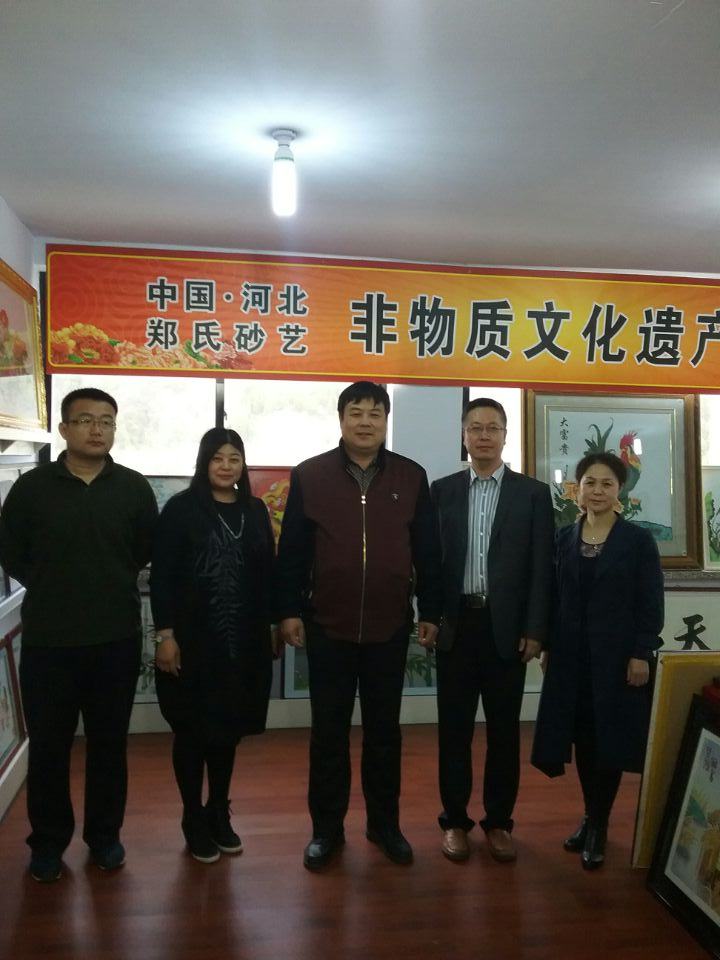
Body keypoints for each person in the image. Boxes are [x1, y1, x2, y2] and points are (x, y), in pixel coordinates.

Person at [276, 381, 442, 870]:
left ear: (386, 420)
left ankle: (384, 825)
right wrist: (288, 610)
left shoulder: (411, 476)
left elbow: (428, 552)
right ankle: (326, 830)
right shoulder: (310, 474)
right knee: (328, 734)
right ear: (341, 418)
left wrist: (431, 611)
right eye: (356, 412)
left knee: (384, 734)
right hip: (327, 625)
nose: (365, 421)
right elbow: (292, 551)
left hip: (389, 628)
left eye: (375, 413)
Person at [0, 387, 158, 882]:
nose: (97, 429)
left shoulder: (133, 488)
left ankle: (104, 837)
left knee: (109, 746)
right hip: (49, 641)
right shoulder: (32, 488)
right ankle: (48, 843)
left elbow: (143, 550)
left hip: (115, 638)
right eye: (86, 420)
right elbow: (11, 551)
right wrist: (52, 583)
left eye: (106, 421)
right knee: (50, 748)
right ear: (65, 429)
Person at [431, 397, 554, 864]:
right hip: (457, 626)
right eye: (475, 427)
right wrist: (430, 617)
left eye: (492, 428)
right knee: (454, 731)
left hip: (508, 631)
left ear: (505, 435)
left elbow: (542, 568)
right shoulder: (442, 491)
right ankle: (454, 821)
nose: (483, 435)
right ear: (464, 435)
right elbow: (431, 563)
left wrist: (536, 629)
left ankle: (499, 822)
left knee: (504, 733)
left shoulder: (532, 494)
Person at [532, 451, 664, 870]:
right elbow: (554, 599)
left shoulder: (637, 541)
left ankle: (599, 823)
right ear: (578, 489)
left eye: (607, 483)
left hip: (617, 658)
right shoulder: (563, 538)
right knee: (583, 739)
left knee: (610, 739)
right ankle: (591, 817)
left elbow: (650, 601)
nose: (598, 491)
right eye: (590, 482)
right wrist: (548, 646)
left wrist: (641, 651)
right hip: (571, 658)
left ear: (619, 490)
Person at [150, 428, 276, 863]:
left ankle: (218, 810)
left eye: (234, 458)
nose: (226, 466)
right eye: (217, 457)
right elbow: (162, 577)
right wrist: (165, 635)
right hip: (192, 643)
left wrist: (272, 625)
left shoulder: (254, 510)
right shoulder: (181, 509)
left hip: (243, 644)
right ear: (204, 462)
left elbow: (268, 573)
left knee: (227, 733)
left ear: (243, 464)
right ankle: (192, 816)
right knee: (192, 733)